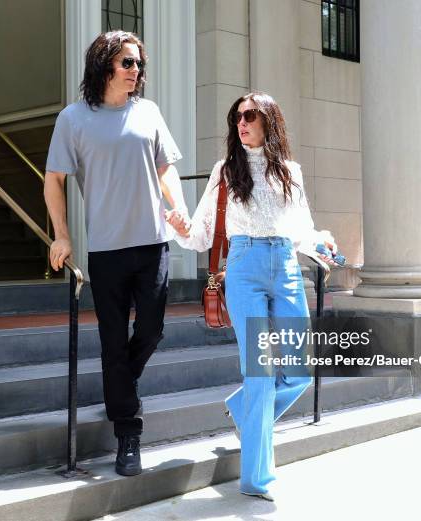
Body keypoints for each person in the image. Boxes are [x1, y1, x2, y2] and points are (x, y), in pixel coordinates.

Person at [167, 92, 338, 501]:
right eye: (236, 118)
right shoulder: (226, 171)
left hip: (286, 266)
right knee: (260, 373)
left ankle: (245, 410)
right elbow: (202, 233)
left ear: (269, 121)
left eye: (249, 116)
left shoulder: (290, 171)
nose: (240, 123)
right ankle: (257, 478)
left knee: (298, 371)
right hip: (244, 270)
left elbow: (302, 229)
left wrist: (323, 242)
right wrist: (177, 224)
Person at [44, 30, 189, 477]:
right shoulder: (74, 119)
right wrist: (63, 236)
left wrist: (178, 207)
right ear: (105, 64)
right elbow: (54, 181)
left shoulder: (148, 112)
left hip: (152, 244)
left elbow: (166, 169)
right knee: (112, 345)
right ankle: (128, 434)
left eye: (139, 64)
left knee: (151, 329)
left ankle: (119, 381)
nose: (136, 72)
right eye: (128, 63)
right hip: (106, 251)